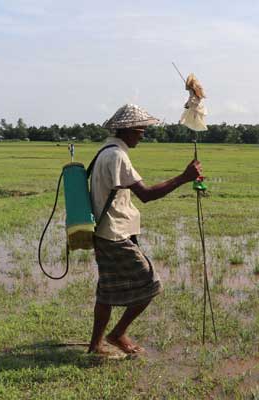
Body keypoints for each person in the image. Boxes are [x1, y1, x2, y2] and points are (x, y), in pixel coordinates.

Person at [87, 104, 202, 356]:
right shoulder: (117, 156)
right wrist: (184, 177)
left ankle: (96, 345)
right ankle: (116, 334)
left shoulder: (105, 150)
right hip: (114, 234)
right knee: (151, 284)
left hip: (105, 232)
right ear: (128, 129)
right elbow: (147, 195)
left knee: (106, 290)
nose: (143, 134)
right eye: (141, 130)